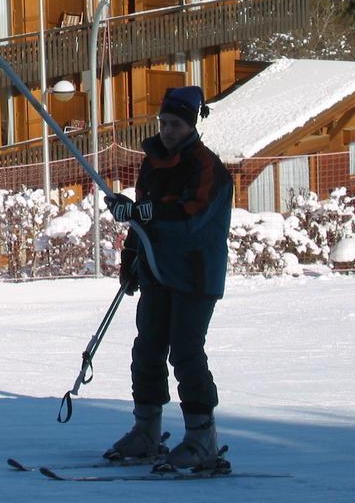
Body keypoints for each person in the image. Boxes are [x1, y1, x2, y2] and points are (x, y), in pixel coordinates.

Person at [103, 85, 233, 470]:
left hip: (195, 274)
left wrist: (142, 213)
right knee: (147, 348)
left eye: (175, 124)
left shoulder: (208, 168)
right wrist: (131, 259)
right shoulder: (152, 164)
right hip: (157, 271)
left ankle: (201, 436)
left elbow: (190, 218)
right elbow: (143, 223)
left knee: (186, 351)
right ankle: (146, 431)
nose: (167, 131)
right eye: (163, 123)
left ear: (191, 125)